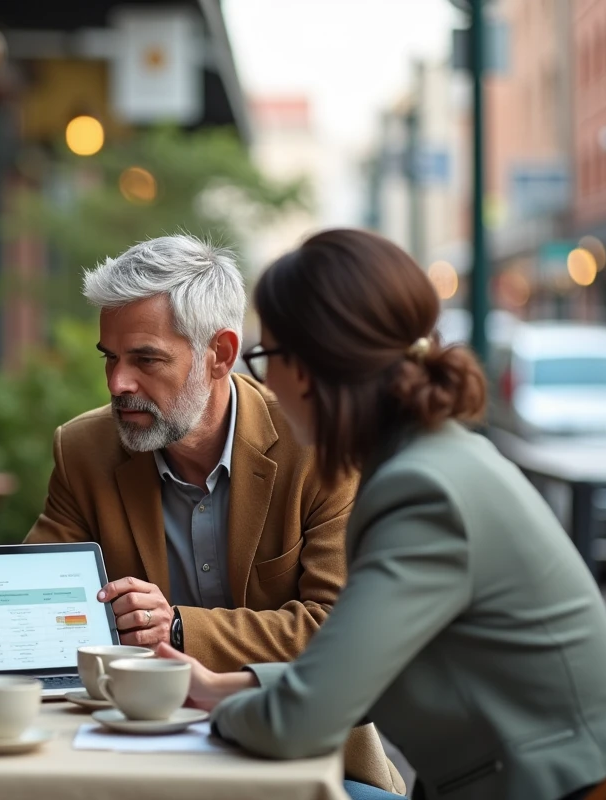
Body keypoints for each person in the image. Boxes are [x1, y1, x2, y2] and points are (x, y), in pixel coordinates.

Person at [158, 228, 606, 800]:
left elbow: (301, 722)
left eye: (263, 356)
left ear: (304, 367)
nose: (262, 381)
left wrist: (214, 718)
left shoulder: (421, 490)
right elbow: (357, 665)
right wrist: (221, 688)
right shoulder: (435, 456)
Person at [24, 234, 403, 796]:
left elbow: (335, 632)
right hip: (129, 760)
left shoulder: (313, 446)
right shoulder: (84, 449)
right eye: (110, 358)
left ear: (221, 354)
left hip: (300, 758)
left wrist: (176, 626)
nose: (117, 383)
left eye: (146, 359)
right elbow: (37, 601)